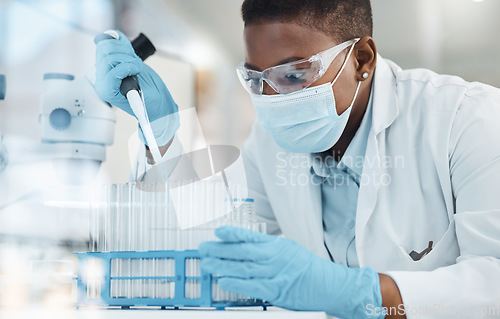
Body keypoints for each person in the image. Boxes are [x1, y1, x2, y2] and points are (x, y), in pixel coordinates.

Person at [94, 0, 500, 318]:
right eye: (257, 79)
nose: (272, 100)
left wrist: (359, 294)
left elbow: (492, 285)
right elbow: (213, 234)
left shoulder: (466, 119)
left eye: (294, 75)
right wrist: (162, 135)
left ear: (362, 60)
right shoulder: (269, 144)